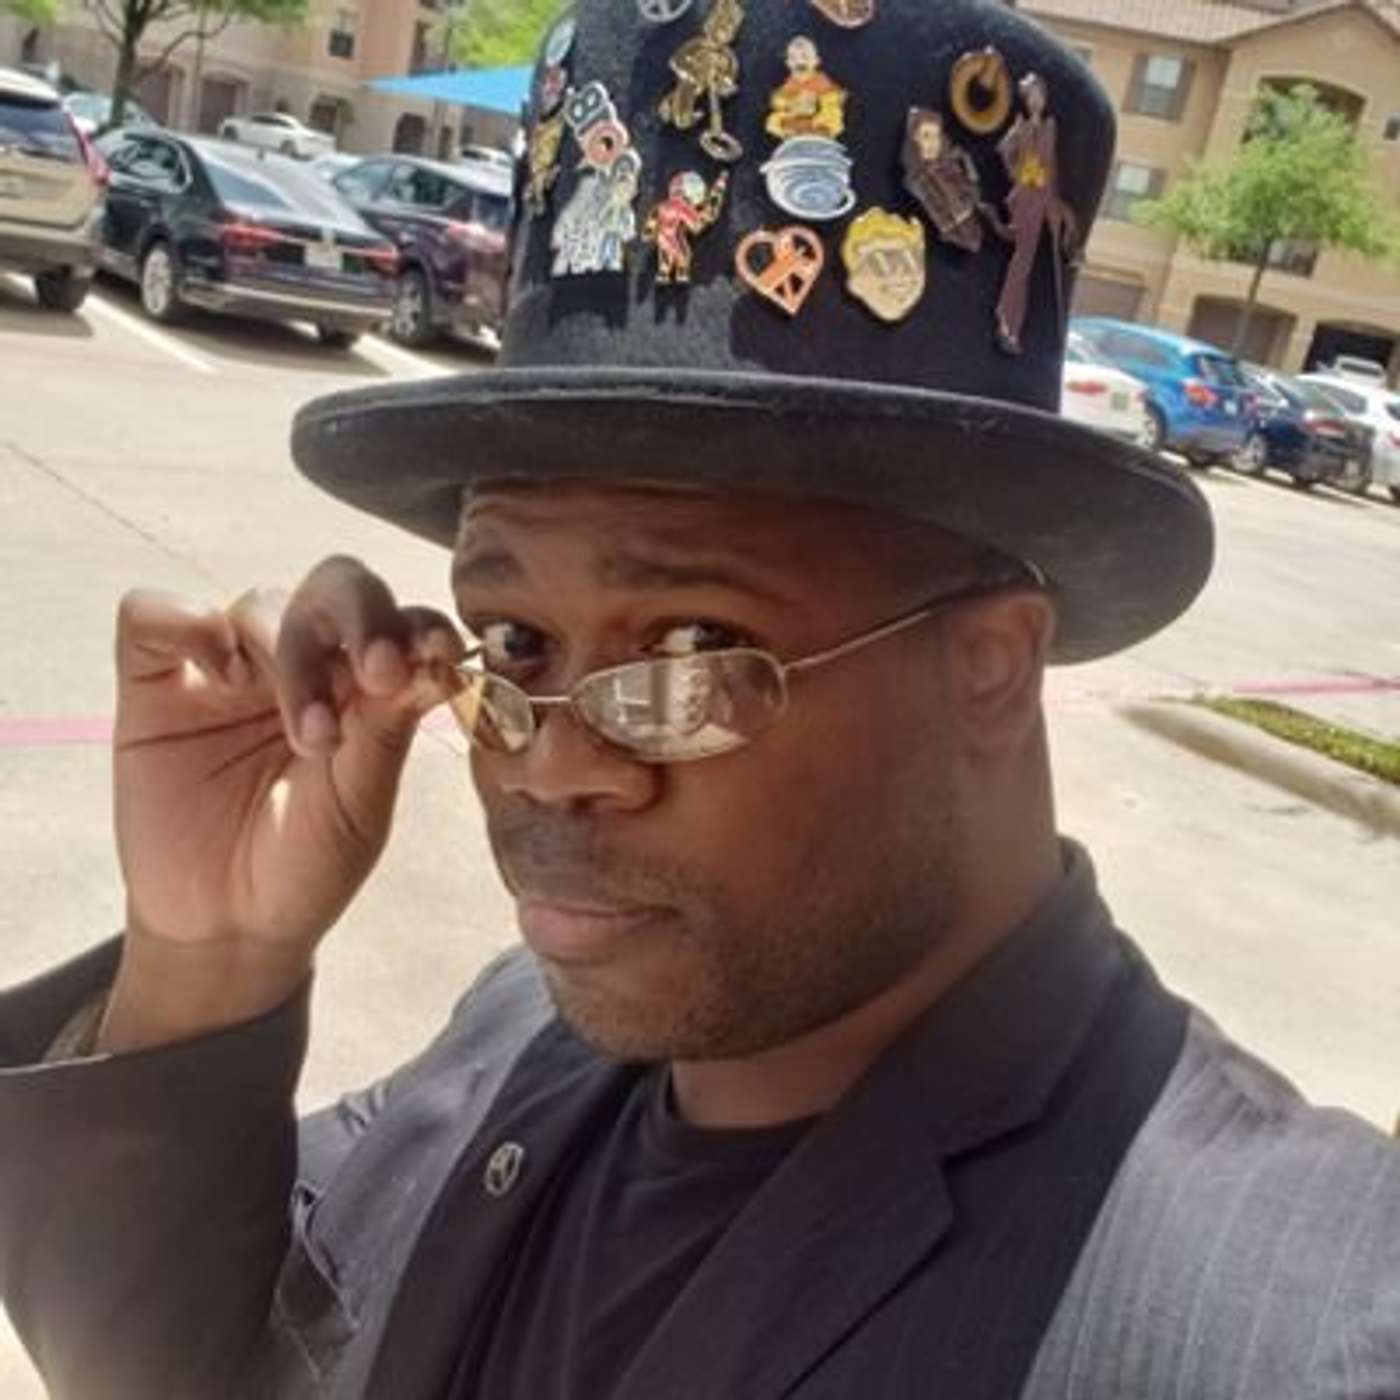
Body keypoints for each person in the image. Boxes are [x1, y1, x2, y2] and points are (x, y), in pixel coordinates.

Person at [3, 1, 1399, 1398]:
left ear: (989, 665)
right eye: (516, 641)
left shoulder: (1290, 1323)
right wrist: (209, 958)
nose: (550, 766)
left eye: (690, 648)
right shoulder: (517, 1041)